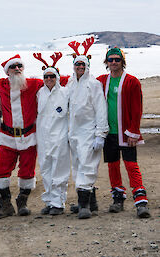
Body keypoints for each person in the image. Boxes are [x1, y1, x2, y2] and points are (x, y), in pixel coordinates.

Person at [97, 47, 151, 218]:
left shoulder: (131, 81)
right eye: (110, 59)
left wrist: (133, 132)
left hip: (126, 132)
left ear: (122, 61)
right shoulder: (101, 80)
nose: (114, 62)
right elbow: (82, 83)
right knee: (113, 166)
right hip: (109, 132)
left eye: (117, 59)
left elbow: (137, 109)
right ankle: (118, 197)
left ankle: (140, 201)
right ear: (106, 62)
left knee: (131, 165)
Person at [0, 54, 43, 219]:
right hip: (7, 137)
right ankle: (5, 205)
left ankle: (22, 202)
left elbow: (56, 79)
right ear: (7, 71)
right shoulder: (0, 84)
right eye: (13, 67)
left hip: (29, 136)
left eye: (20, 66)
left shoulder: (34, 83)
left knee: (27, 171)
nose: (17, 69)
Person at [67, 37, 109, 219]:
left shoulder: (94, 84)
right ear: (74, 66)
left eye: (83, 65)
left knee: (87, 166)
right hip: (74, 132)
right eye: (78, 65)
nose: (80, 68)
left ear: (88, 66)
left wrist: (101, 134)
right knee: (77, 166)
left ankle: (84, 204)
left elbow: (101, 109)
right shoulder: (70, 83)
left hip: (89, 132)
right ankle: (90, 202)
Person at [33, 52, 70, 215]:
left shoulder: (65, 93)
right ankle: (49, 200)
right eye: (46, 76)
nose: (49, 79)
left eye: (52, 76)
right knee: (46, 169)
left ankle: (58, 202)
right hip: (43, 138)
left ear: (57, 77)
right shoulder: (39, 94)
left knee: (59, 171)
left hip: (60, 138)